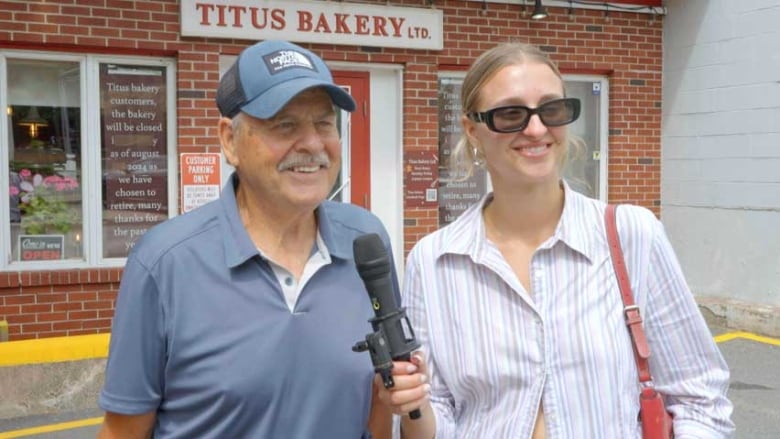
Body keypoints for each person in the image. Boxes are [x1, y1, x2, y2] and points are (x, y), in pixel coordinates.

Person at [377, 42, 735, 438]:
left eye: (552, 109)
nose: (536, 128)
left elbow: (700, 399)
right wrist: (414, 406)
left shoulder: (632, 234)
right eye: (510, 113)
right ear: (472, 129)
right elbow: (437, 414)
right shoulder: (434, 259)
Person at [97, 40, 404, 438]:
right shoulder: (164, 263)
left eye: (325, 123)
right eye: (285, 125)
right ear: (229, 140)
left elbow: (379, 403)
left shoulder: (366, 241)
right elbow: (124, 431)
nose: (312, 144)